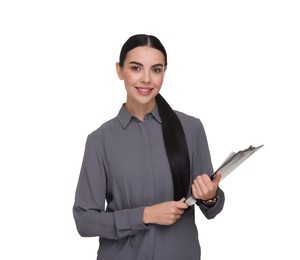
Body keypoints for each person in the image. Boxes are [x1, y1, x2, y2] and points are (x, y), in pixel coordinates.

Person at [73, 34, 225, 260]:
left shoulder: (191, 128)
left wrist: (210, 196)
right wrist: (145, 215)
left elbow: (211, 207)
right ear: (119, 70)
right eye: (136, 68)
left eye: (156, 70)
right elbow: (84, 221)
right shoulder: (99, 140)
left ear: (165, 72)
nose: (146, 79)